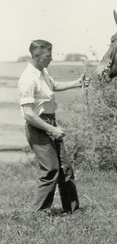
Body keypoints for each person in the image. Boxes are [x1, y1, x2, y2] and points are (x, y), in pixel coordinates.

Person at [17, 39, 90, 215]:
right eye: (48, 56)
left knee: (65, 168)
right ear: (36, 55)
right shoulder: (28, 79)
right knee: (51, 169)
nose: (51, 59)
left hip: (50, 124)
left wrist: (76, 83)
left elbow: (53, 86)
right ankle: (38, 213)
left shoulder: (43, 71)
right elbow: (28, 114)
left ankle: (72, 211)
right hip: (38, 127)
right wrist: (51, 129)